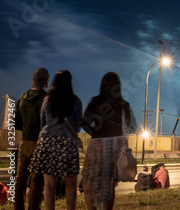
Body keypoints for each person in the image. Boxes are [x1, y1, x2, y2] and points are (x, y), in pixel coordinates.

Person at [80, 72, 136, 210]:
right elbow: (132, 126)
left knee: (91, 180)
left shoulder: (95, 101)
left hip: (97, 144)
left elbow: (84, 122)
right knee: (110, 184)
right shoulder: (123, 104)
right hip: (115, 146)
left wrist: (96, 134)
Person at [28, 70, 82, 210]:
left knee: (49, 186)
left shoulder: (47, 99)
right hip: (67, 143)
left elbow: (43, 123)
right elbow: (76, 126)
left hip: (47, 142)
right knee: (70, 185)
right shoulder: (75, 100)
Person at [14, 68, 49, 210]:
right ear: (46, 81)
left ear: (33, 80)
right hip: (39, 144)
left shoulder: (22, 98)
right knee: (36, 182)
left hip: (24, 142)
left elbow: (16, 123)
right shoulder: (46, 99)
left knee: (20, 181)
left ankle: (18, 207)